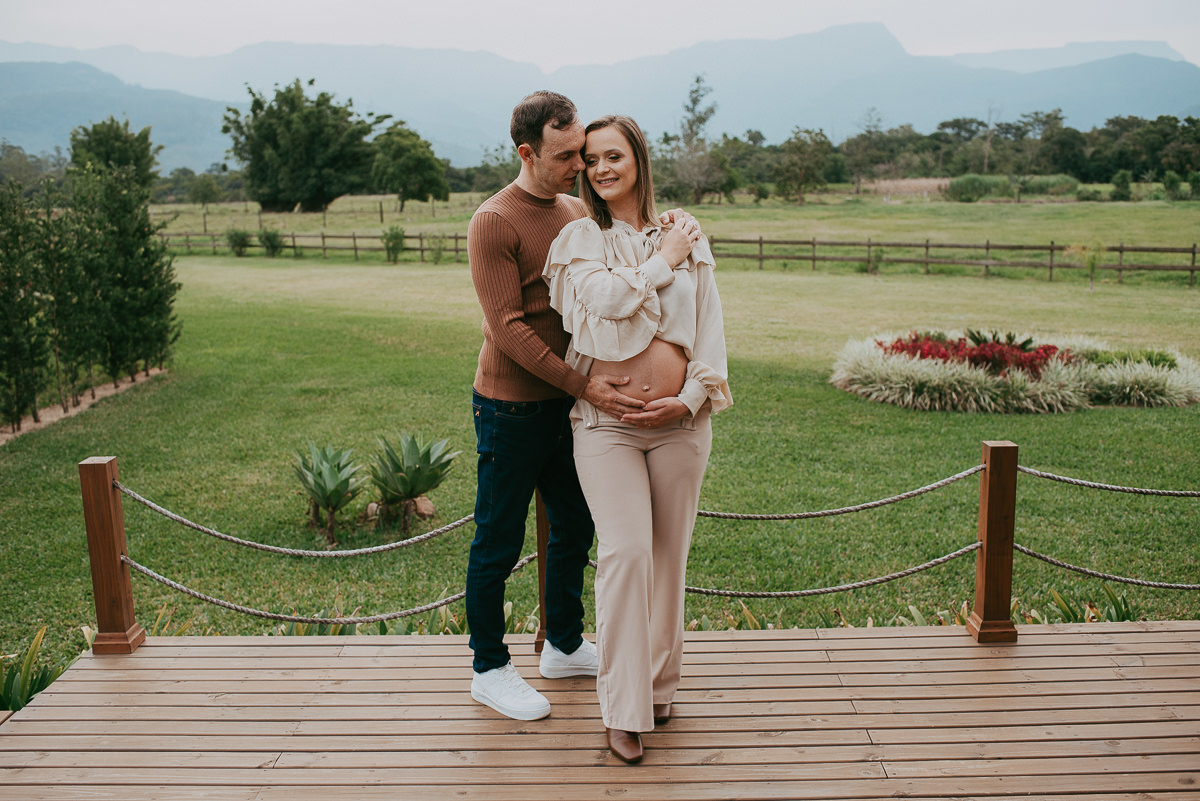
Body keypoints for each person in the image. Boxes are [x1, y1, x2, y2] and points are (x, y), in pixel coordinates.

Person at [465, 91, 664, 722]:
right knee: (498, 539)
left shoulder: (576, 209)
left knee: (573, 528)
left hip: (572, 405)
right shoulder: (494, 221)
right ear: (526, 152)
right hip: (513, 407)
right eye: (564, 156)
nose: (579, 166)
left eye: (581, 152)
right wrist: (584, 386)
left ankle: (563, 644)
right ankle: (489, 668)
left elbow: (609, 289)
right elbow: (508, 327)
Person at [543, 115, 732, 764]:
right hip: (606, 426)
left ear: (638, 159)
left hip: (680, 425)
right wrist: (661, 263)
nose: (600, 168)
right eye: (590, 159)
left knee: (668, 559)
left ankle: (657, 685)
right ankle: (622, 709)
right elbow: (599, 302)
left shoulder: (685, 232)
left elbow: (710, 328)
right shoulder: (581, 239)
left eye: (613, 155)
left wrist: (687, 400)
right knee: (624, 554)